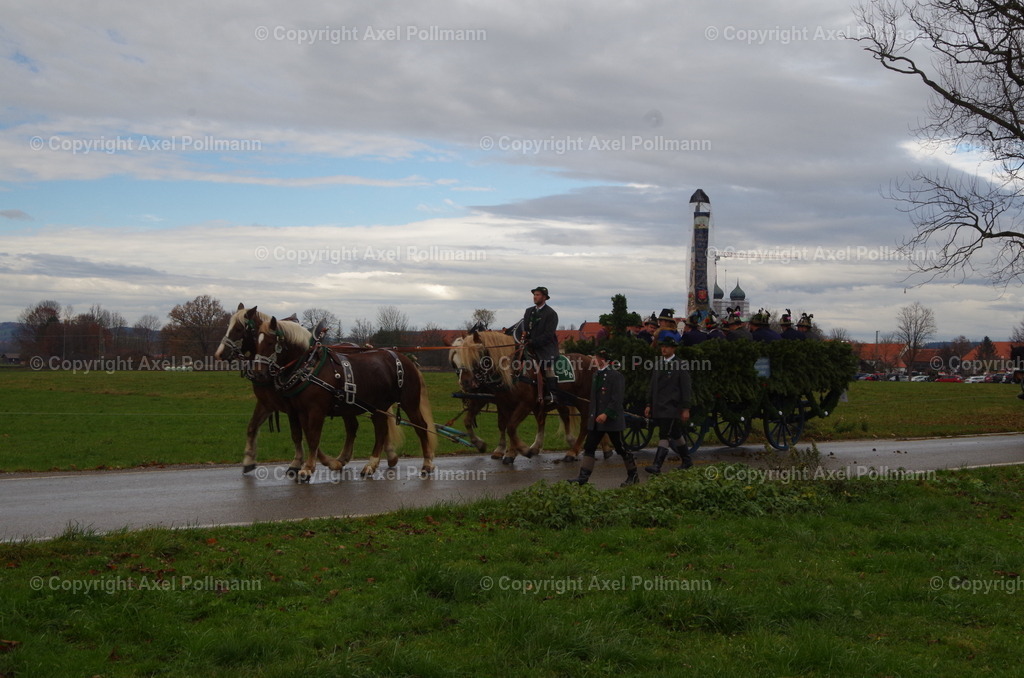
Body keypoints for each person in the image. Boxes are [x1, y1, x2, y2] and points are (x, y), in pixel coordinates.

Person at [567, 349, 640, 487]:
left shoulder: (615, 376)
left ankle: (633, 474)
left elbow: (617, 399)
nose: (593, 360)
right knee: (589, 446)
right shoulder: (596, 375)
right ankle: (583, 478)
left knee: (620, 448)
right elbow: (594, 399)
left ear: (602, 359)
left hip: (611, 421)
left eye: (595, 358)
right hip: (597, 421)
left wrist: (606, 413)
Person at [644, 336, 693, 473]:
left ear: (673, 349)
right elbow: (652, 386)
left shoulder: (680, 364)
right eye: (662, 347)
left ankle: (657, 465)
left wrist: (686, 408)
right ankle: (687, 460)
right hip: (659, 405)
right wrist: (648, 404)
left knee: (664, 434)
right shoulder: (658, 364)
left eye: (667, 347)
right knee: (676, 434)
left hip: (672, 406)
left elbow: (686, 388)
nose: (663, 349)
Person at [521, 286, 564, 403]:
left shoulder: (551, 314)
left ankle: (552, 393)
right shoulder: (528, 311)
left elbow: (548, 335)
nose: (535, 297)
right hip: (529, 345)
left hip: (546, 347)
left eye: (537, 295)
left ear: (544, 297)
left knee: (547, 364)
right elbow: (525, 328)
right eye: (534, 295)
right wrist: (525, 336)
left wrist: (533, 341)